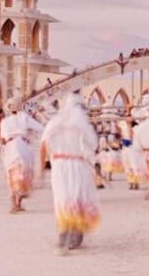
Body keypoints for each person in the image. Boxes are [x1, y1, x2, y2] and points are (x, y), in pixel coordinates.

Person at [40, 94, 100, 253]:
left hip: (59, 166)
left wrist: (42, 168)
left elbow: (44, 144)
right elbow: (93, 145)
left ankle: (64, 233)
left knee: (62, 198)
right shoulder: (82, 125)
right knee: (77, 197)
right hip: (78, 165)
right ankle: (74, 233)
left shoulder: (54, 123)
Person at [0, 98, 43, 213]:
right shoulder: (25, 117)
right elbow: (39, 128)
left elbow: (3, 138)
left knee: (11, 174)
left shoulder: (5, 121)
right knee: (22, 174)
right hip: (23, 147)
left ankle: (15, 204)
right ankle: (18, 203)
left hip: (10, 148)